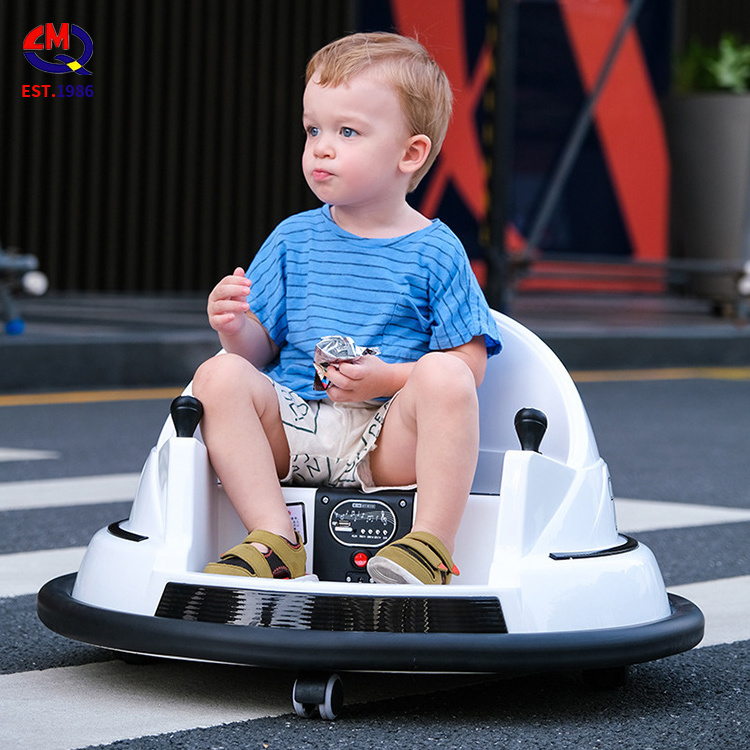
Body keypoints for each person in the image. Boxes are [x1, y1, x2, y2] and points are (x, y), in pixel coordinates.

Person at [193, 31, 502, 585]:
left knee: (446, 375)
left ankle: (431, 546)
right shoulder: (292, 238)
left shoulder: (436, 250)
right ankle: (273, 540)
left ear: (411, 154)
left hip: (386, 440)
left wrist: (387, 379)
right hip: (296, 426)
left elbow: (469, 366)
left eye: (347, 132)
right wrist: (235, 326)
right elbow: (255, 354)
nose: (321, 148)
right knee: (216, 376)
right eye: (313, 129)